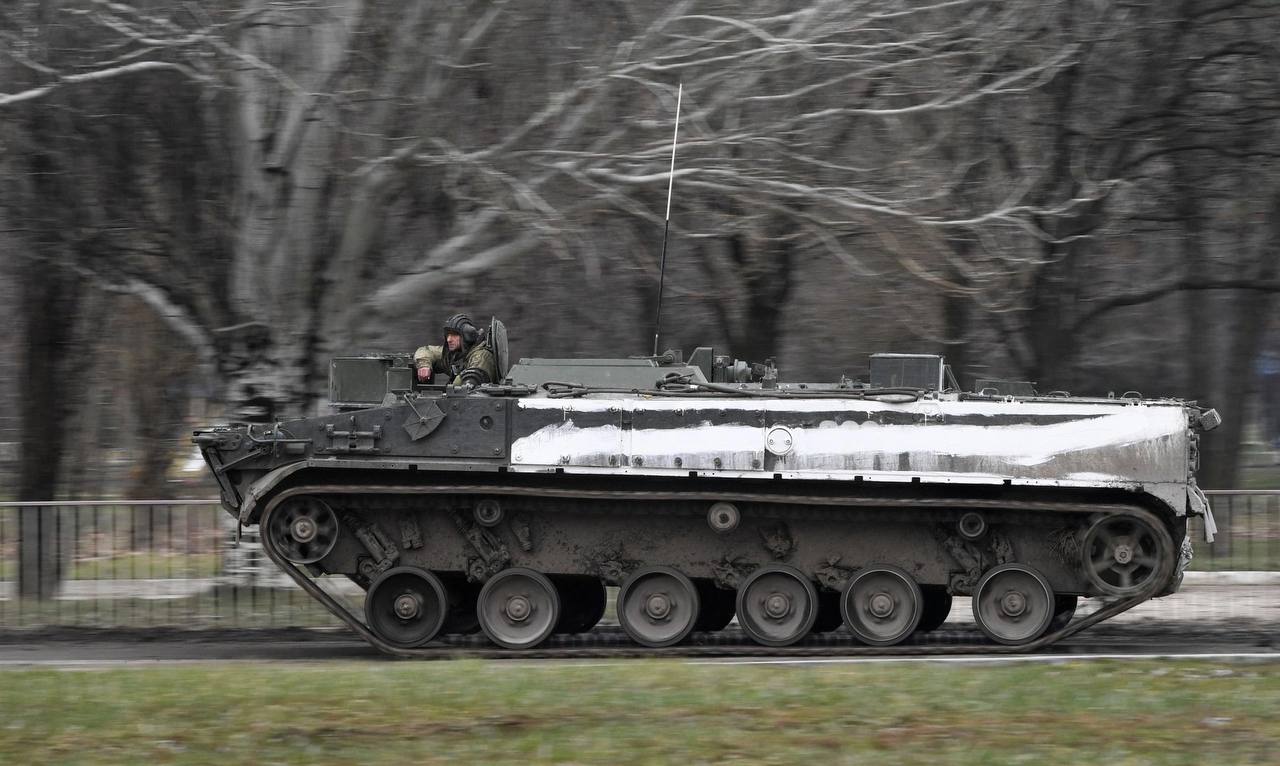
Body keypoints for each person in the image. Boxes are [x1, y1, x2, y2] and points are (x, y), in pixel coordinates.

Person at [414, 313, 498, 387]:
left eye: (454, 335)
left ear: (467, 336)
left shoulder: (482, 356)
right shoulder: (455, 354)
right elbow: (426, 350)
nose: (449, 339)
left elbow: (471, 380)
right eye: (447, 335)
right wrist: (424, 365)